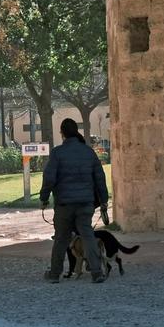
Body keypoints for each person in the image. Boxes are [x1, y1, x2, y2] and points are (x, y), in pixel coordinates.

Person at [40, 118, 109, 284]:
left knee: (61, 238)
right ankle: (96, 272)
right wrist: (104, 200)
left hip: (64, 203)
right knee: (87, 235)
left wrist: (44, 198)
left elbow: (49, 178)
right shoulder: (88, 152)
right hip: (85, 202)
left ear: (62, 133)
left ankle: (55, 274)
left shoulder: (57, 153)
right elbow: (100, 178)